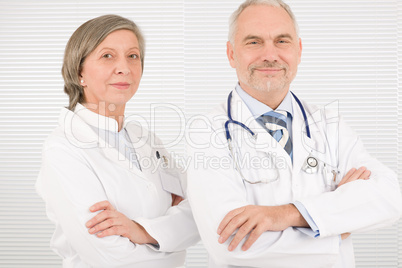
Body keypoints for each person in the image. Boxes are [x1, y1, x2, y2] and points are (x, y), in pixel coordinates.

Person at [186, 0, 402, 267]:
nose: (270, 54)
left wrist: (288, 214)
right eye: (253, 42)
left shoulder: (328, 124)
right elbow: (232, 243)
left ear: (298, 50)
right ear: (231, 54)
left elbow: (390, 196)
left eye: (282, 41)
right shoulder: (206, 132)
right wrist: (337, 227)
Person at [36, 14, 199, 268]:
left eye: (133, 56)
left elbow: (199, 213)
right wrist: (170, 240)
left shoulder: (147, 140)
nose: (124, 67)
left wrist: (142, 232)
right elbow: (107, 256)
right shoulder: (63, 148)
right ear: (80, 71)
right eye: (107, 56)